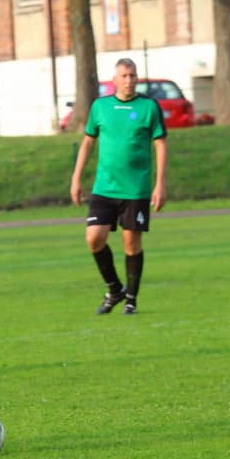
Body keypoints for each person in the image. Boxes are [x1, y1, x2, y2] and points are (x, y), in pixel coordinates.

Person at [70, 58, 168, 315]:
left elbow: (160, 144)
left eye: (132, 75)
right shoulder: (100, 106)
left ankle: (131, 299)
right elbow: (88, 142)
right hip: (104, 187)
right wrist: (76, 178)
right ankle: (114, 289)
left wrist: (160, 184)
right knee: (94, 238)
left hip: (136, 188)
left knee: (131, 243)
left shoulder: (149, 107)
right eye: (124, 76)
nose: (129, 80)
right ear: (114, 80)